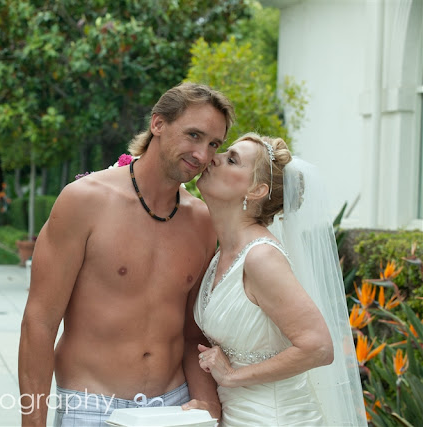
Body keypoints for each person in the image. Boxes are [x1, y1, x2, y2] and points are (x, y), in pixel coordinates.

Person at [18, 82, 235, 426]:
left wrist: (207, 404)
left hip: (173, 407)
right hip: (91, 406)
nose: (202, 155)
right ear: (158, 124)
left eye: (213, 144)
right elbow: (39, 322)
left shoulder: (204, 223)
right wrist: (33, 423)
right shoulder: (85, 201)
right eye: (193, 135)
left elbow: (193, 334)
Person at [192, 133, 367, 426]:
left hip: (275, 416)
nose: (213, 158)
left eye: (231, 159)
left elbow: (319, 347)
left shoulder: (261, 257)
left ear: (256, 190)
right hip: (237, 415)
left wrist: (233, 376)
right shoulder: (222, 253)